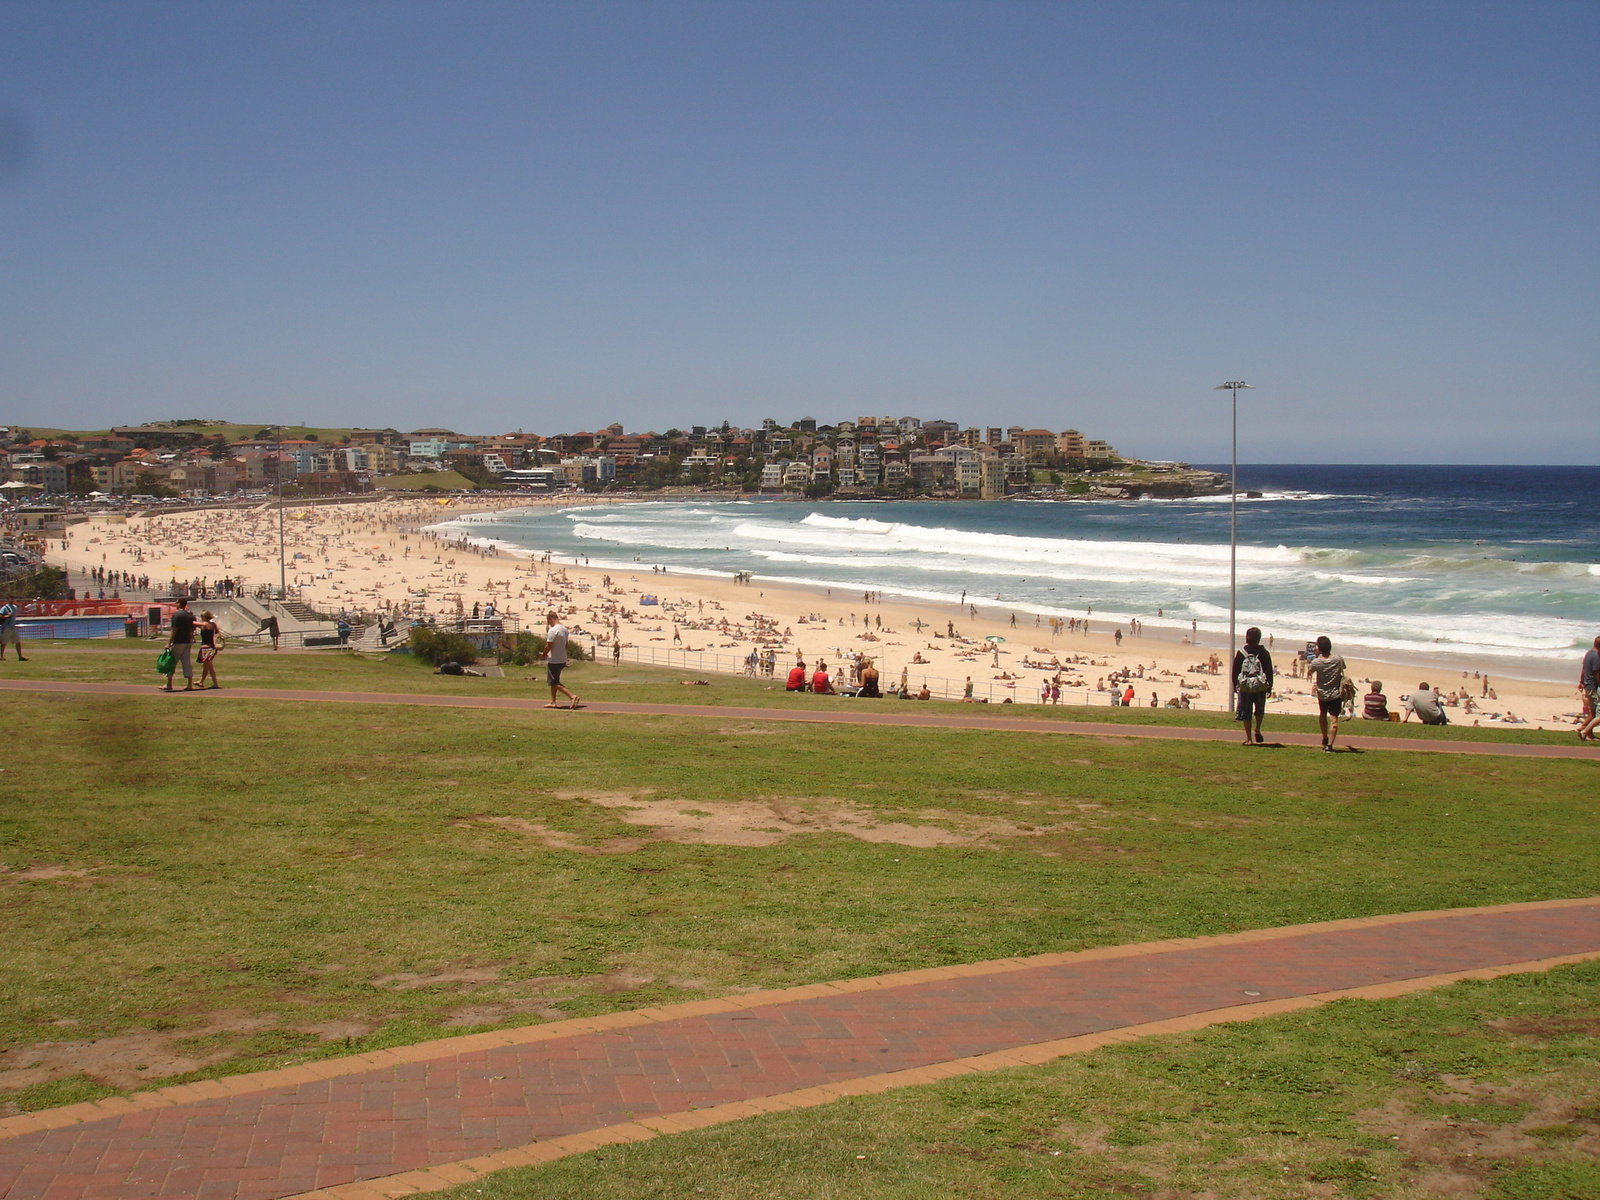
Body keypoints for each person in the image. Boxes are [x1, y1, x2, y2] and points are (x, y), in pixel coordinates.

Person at [1230, 627, 1274, 745]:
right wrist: (1270, 686)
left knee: (1246, 712)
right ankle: (1257, 729)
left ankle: (1249, 738)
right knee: (1259, 710)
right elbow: (1269, 671)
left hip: (1245, 686)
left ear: (1247, 638)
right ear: (1259, 639)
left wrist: (1235, 684)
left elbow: (1235, 670)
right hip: (1260, 686)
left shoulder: (1241, 653)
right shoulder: (1264, 653)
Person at [1305, 635, 1347, 751]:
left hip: (1322, 693)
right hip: (1335, 694)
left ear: (1319, 648)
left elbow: (1309, 673)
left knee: (1323, 714)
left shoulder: (1317, 662)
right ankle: (1330, 745)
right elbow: (1343, 668)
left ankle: (1324, 737)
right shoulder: (1338, 659)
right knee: (1334, 720)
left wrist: (1316, 656)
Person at [538, 610, 579, 709]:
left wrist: (543, 655)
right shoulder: (564, 629)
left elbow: (548, 646)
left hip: (554, 660)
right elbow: (566, 645)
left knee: (554, 682)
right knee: (554, 681)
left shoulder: (553, 630)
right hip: (562, 658)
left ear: (550, 619)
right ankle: (553, 702)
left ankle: (572, 696)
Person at [162, 598, 197, 692]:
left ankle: (169, 684)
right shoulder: (190, 615)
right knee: (187, 663)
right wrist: (192, 638)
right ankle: (189, 684)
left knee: (172, 662)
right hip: (187, 642)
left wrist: (168, 643)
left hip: (178, 642)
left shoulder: (176, 615)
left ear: (179, 604)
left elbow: (174, 630)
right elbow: (191, 629)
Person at [1579, 636, 1600, 742]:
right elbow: (1596, 672)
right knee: (1595, 712)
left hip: (1587, 684)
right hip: (1593, 685)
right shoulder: (1596, 656)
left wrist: (1581, 681)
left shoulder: (1589, 653)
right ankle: (1583, 728)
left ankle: (1588, 733)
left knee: (1592, 711)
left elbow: (1584, 669)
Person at [196, 610, 225, 690]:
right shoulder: (213, 625)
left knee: (209, 666)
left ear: (204, 617)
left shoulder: (203, 624)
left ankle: (215, 683)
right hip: (213, 647)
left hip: (206, 647)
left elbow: (192, 623)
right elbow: (218, 633)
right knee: (206, 666)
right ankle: (201, 681)